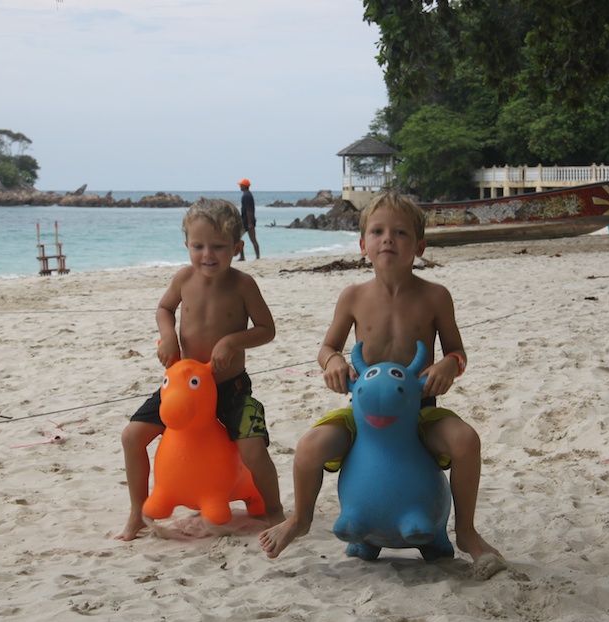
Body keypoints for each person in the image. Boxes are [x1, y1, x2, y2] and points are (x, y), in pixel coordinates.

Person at [259, 191, 507, 580]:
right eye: (377, 231)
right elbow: (326, 347)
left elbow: (457, 351)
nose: (387, 239)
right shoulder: (354, 297)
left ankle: (467, 532)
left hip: (420, 411)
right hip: (364, 413)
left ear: (420, 246)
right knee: (310, 447)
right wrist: (334, 361)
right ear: (362, 245)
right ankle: (300, 519)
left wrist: (448, 364)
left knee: (466, 441)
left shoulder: (435, 296)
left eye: (400, 233)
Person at [115, 198, 284, 541]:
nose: (208, 254)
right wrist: (167, 338)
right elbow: (164, 308)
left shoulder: (243, 285)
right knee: (132, 436)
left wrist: (232, 341)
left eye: (218, 247)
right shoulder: (183, 279)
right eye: (198, 246)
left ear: (237, 247)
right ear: (187, 245)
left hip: (230, 387)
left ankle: (275, 509)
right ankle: (136, 512)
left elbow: (267, 329)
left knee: (252, 448)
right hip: (184, 388)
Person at [237, 179, 260, 261]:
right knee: (250, 239)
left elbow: (248, 210)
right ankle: (253, 256)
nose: (239, 186)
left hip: (247, 221)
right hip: (247, 221)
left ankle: (255, 257)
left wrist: (250, 223)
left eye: (241, 185)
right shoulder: (248, 195)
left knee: (240, 238)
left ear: (244, 186)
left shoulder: (246, 196)